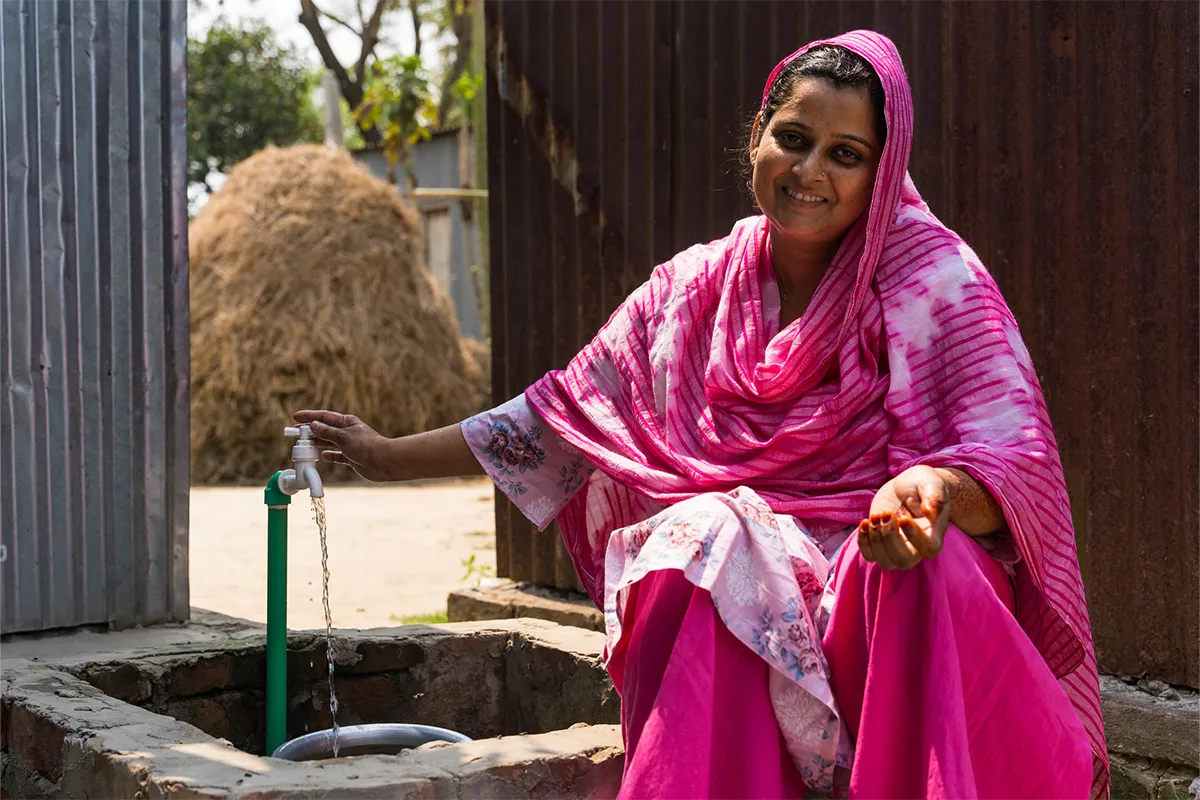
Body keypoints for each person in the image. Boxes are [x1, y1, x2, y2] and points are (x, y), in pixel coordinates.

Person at [295, 30, 1108, 800]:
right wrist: (388, 455)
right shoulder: (692, 289)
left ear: (881, 171)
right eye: (793, 138)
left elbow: (1016, 458)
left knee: (923, 565)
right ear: (757, 132)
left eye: (846, 155)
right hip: (753, 598)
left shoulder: (936, 278)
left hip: (881, 591)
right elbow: (563, 414)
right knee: (703, 540)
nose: (810, 171)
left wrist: (931, 493)